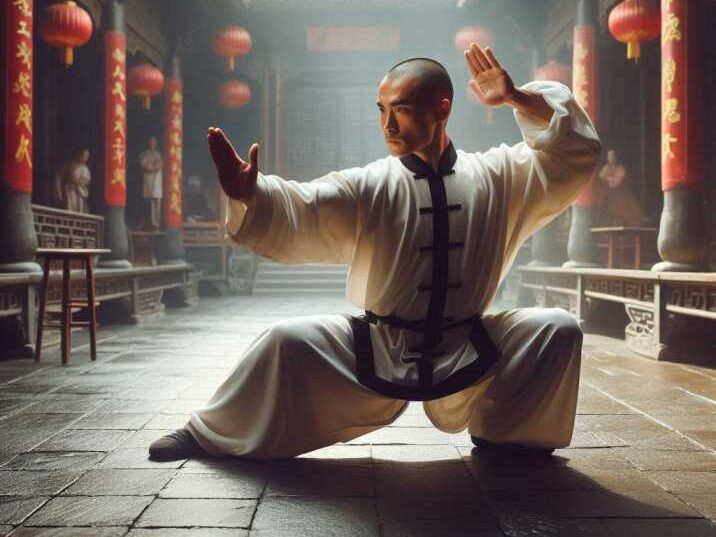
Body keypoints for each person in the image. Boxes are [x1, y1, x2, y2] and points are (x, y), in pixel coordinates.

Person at [149, 43, 601, 460]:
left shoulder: (498, 175)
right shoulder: (369, 184)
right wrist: (252, 195)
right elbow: (302, 206)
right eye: (382, 110)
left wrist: (518, 98)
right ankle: (208, 432)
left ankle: (506, 435)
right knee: (285, 341)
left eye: (401, 110)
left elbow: (575, 150)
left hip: (469, 344)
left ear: (441, 108)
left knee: (557, 329)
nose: (387, 124)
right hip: (381, 345)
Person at [597, 148, 642, 226]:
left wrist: (610, 179)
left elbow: (618, 181)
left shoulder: (620, 168)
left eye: (613, 155)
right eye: (609, 155)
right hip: (608, 197)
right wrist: (608, 179)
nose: (611, 157)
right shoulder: (606, 168)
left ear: (616, 157)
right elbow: (601, 177)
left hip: (621, 197)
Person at [56, 149, 92, 213]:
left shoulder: (86, 169)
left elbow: (87, 183)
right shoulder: (69, 165)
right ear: (79, 155)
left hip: (81, 192)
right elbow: (59, 177)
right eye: (84, 155)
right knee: (69, 210)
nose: (85, 158)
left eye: (87, 156)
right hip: (70, 190)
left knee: (81, 211)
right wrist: (59, 192)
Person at [139, 136, 163, 230]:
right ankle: (152, 224)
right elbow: (144, 166)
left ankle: (158, 223)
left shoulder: (159, 154)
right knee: (150, 202)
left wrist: (152, 166)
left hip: (157, 181)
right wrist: (152, 167)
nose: (152, 144)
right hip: (148, 181)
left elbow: (160, 165)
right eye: (151, 142)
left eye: (154, 142)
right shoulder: (145, 154)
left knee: (157, 201)